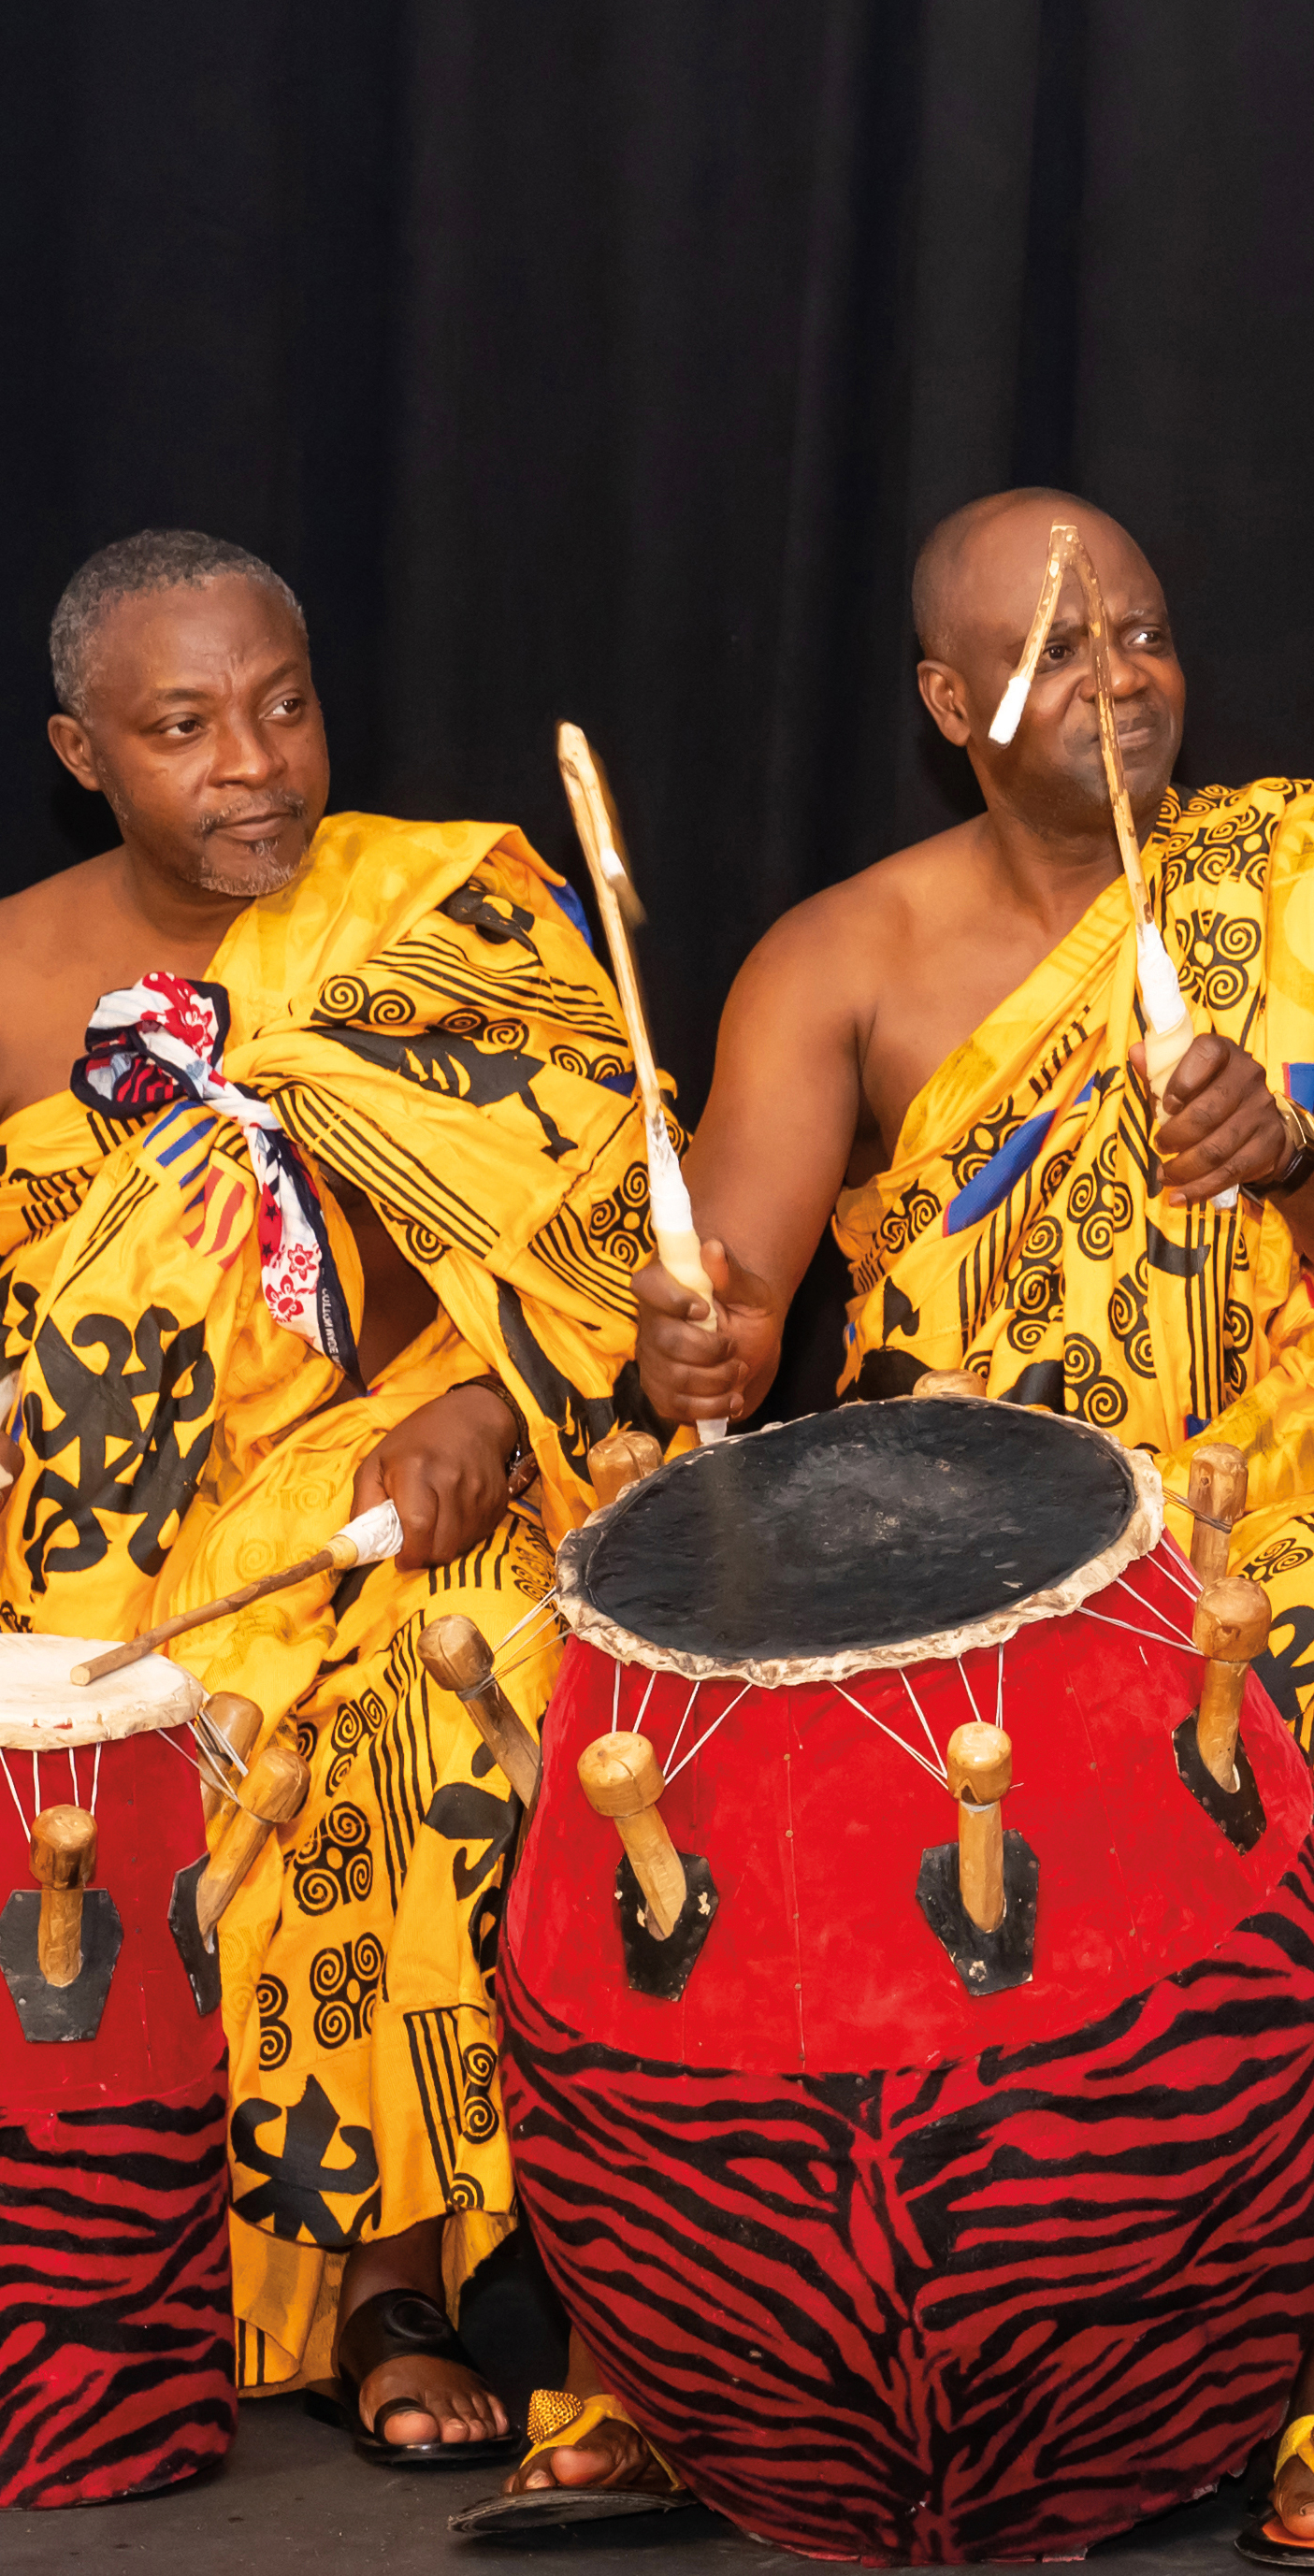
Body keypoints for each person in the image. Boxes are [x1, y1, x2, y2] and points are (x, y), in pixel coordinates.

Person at [616, 489, 1314, 2555]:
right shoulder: (840, 953)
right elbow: (736, 1304)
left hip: (1270, 1511)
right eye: (1060, 653)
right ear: (954, 701)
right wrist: (699, 1337)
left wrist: (1294, 1145)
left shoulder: (1313, 883)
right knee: (624, 1712)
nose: (1121, 681)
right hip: (940, 1531)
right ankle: (655, 2345)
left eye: (1142, 633)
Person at [5, 532, 648, 2468]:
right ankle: (114, 2274)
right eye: (183, 726)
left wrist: (473, 1394)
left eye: (282, 704)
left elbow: (610, 1212)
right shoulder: (20, 973)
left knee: (425, 1707)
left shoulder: (442, 910)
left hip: (430, 1492)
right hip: (101, 1555)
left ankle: (390, 2277)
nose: (254, 763)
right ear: (80, 751)